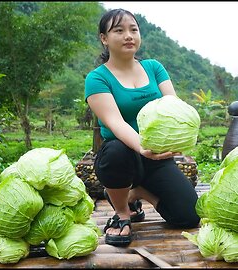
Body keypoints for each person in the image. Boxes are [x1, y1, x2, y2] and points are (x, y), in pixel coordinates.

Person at [84, 8, 200, 247]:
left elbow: (172, 107)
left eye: (133, 30)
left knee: (188, 216)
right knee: (116, 151)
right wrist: (142, 147)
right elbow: (115, 123)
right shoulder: (97, 78)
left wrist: (179, 137)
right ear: (104, 39)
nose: (129, 35)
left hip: (156, 157)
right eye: (119, 30)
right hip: (121, 155)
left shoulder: (154, 68)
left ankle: (137, 193)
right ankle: (123, 213)